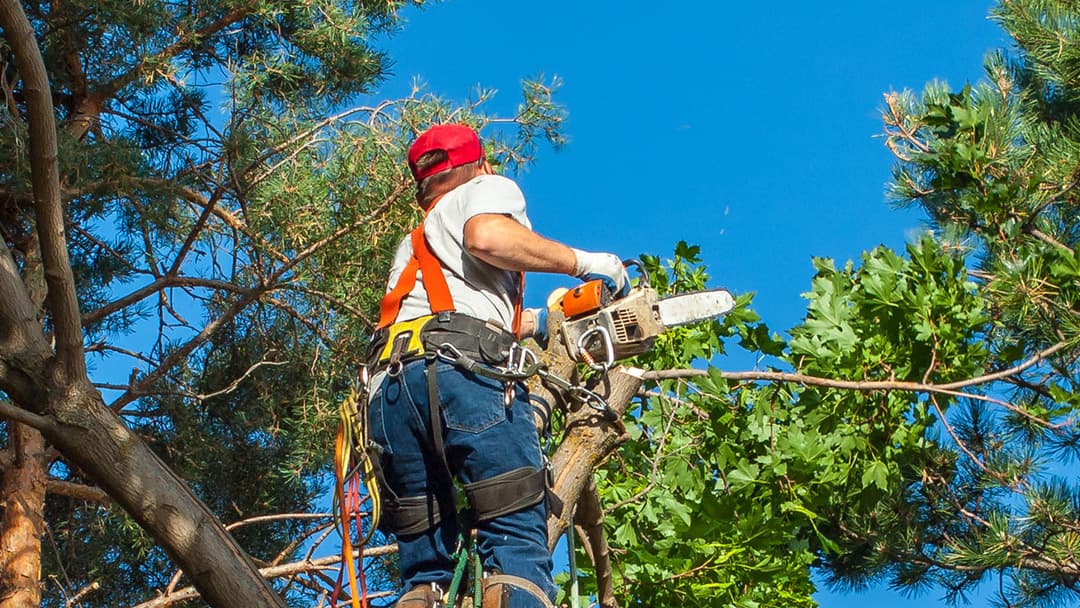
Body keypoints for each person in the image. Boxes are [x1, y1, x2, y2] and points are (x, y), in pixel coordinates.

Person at [365, 123, 628, 608]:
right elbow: (486, 237)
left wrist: (536, 322)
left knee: (425, 578)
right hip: (464, 376)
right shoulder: (485, 188)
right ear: (480, 164)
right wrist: (586, 261)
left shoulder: (417, 241)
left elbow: (450, 310)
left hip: (390, 395)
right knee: (515, 544)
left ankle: (423, 592)